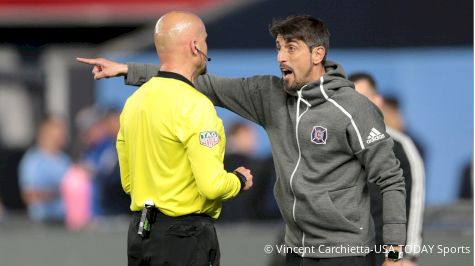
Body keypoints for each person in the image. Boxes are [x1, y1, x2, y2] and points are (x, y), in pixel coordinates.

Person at [78, 15, 406, 266]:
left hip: (344, 251)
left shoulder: (353, 109)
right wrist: (126, 69)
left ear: (318, 53)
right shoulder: (269, 95)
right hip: (293, 248)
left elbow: (390, 179)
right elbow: (194, 81)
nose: (281, 57)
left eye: (291, 48)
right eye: (278, 47)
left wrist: (394, 253)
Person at [86, 12, 254, 266]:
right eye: (205, 40)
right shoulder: (196, 105)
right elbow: (212, 185)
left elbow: (129, 182)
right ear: (195, 46)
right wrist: (239, 180)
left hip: (141, 233)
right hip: (185, 237)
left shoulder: (134, 103)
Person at [349, 73, 425, 266]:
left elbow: (413, 203)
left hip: (387, 255)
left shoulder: (400, 146)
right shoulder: (336, 145)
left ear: (377, 100)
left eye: (363, 98)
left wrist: (406, 256)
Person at [18, 116, 71, 223]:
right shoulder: (32, 160)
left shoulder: (65, 160)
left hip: (66, 221)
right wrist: (60, 192)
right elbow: (28, 195)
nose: (62, 136)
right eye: (58, 131)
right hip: (44, 222)